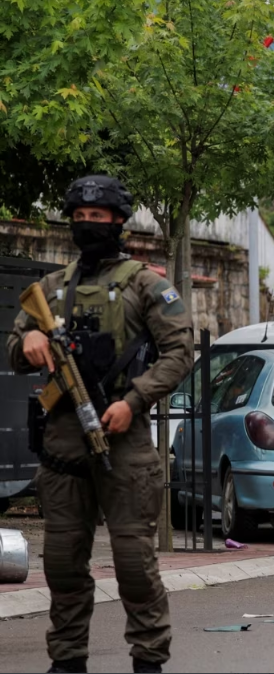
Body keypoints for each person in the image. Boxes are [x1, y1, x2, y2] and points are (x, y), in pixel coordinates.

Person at [8, 176, 194, 674]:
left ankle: (148, 661)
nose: (89, 225)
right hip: (65, 439)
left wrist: (134, 401)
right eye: (81, 218)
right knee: (64, 565)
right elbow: (16, 346)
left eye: (99, 218)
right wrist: (27, 344)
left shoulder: (145, 283)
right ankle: (67, 662)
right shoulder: (51, 288)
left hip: (123, 435)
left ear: (118, 221)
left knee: (134, 564)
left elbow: (180, 353)